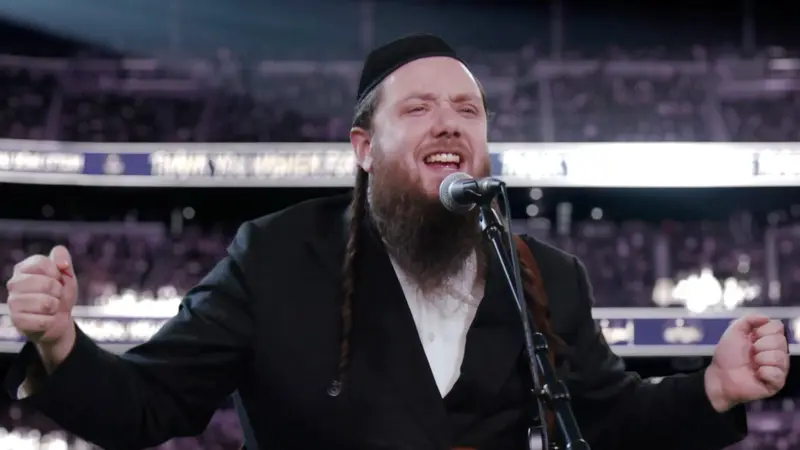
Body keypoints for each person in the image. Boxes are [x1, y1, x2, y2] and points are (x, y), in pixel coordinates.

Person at [3, 34, 789, 450]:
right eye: (418, 109)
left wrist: (713, 390)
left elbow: (608, 421)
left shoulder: (543, 274)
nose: (449, 122)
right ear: (363, 146)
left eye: (468, 111)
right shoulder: (275, 258)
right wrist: (62, 344)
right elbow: (146, 406)